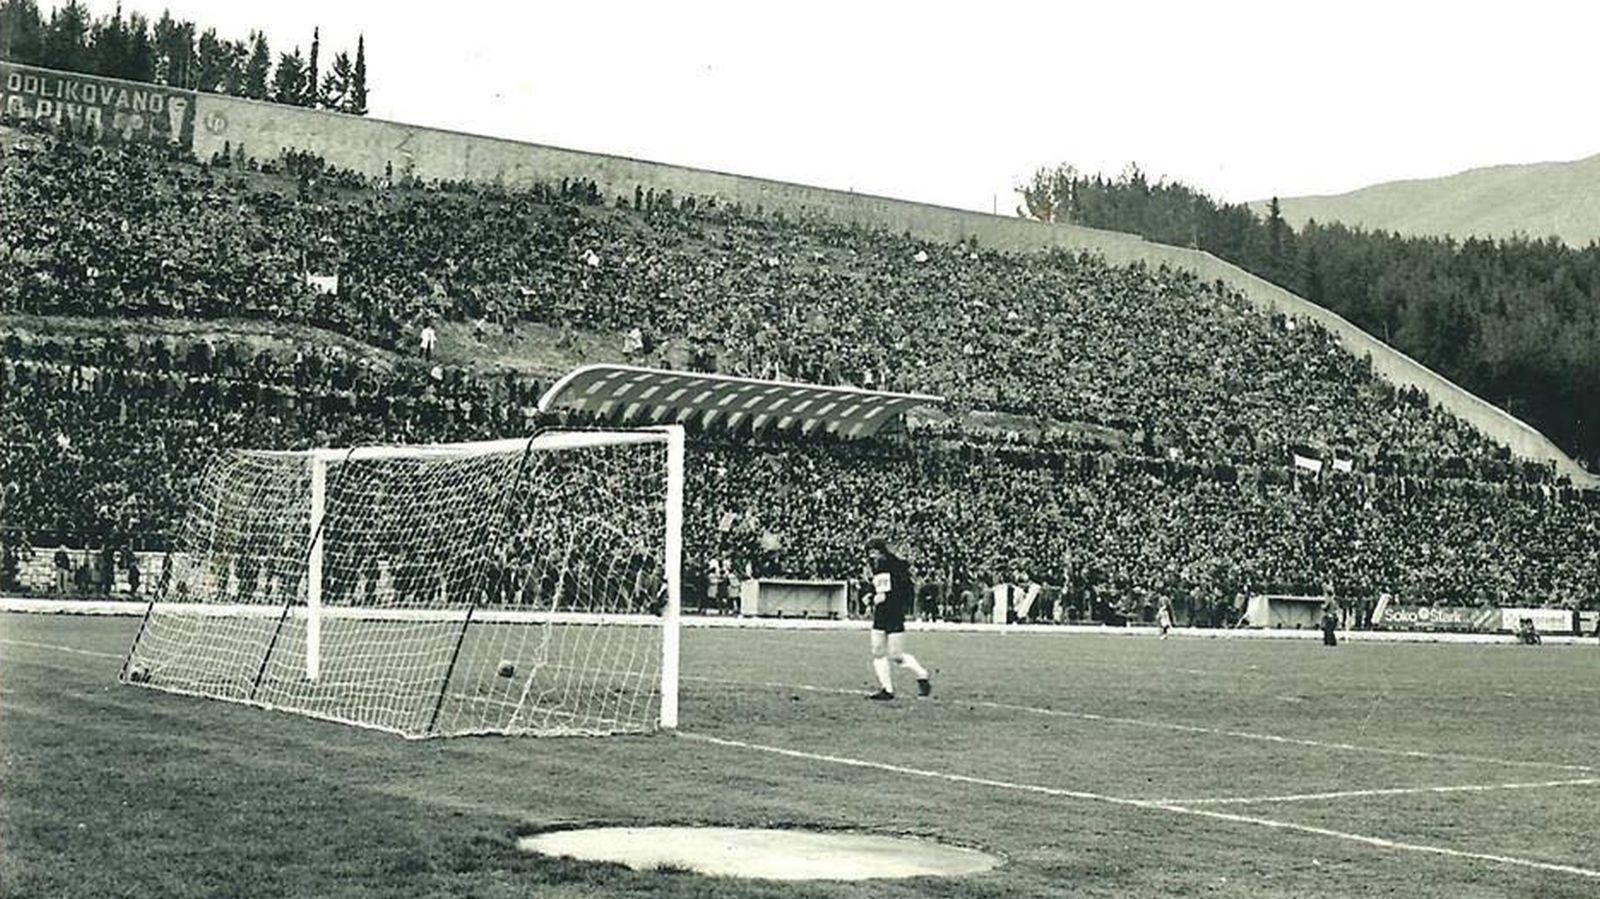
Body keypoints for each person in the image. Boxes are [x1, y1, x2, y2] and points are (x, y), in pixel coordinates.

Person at [865, 537, 931, 701]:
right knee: (881, 651)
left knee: (893, 654)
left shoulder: (887, 565)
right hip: (888, 612)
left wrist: (872, 598)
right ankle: (887, 689)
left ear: (880, 551)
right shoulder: (886, 564)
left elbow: (883, 595)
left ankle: (921, 675)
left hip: (891, 612)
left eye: (874, 552)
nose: (872, 557)